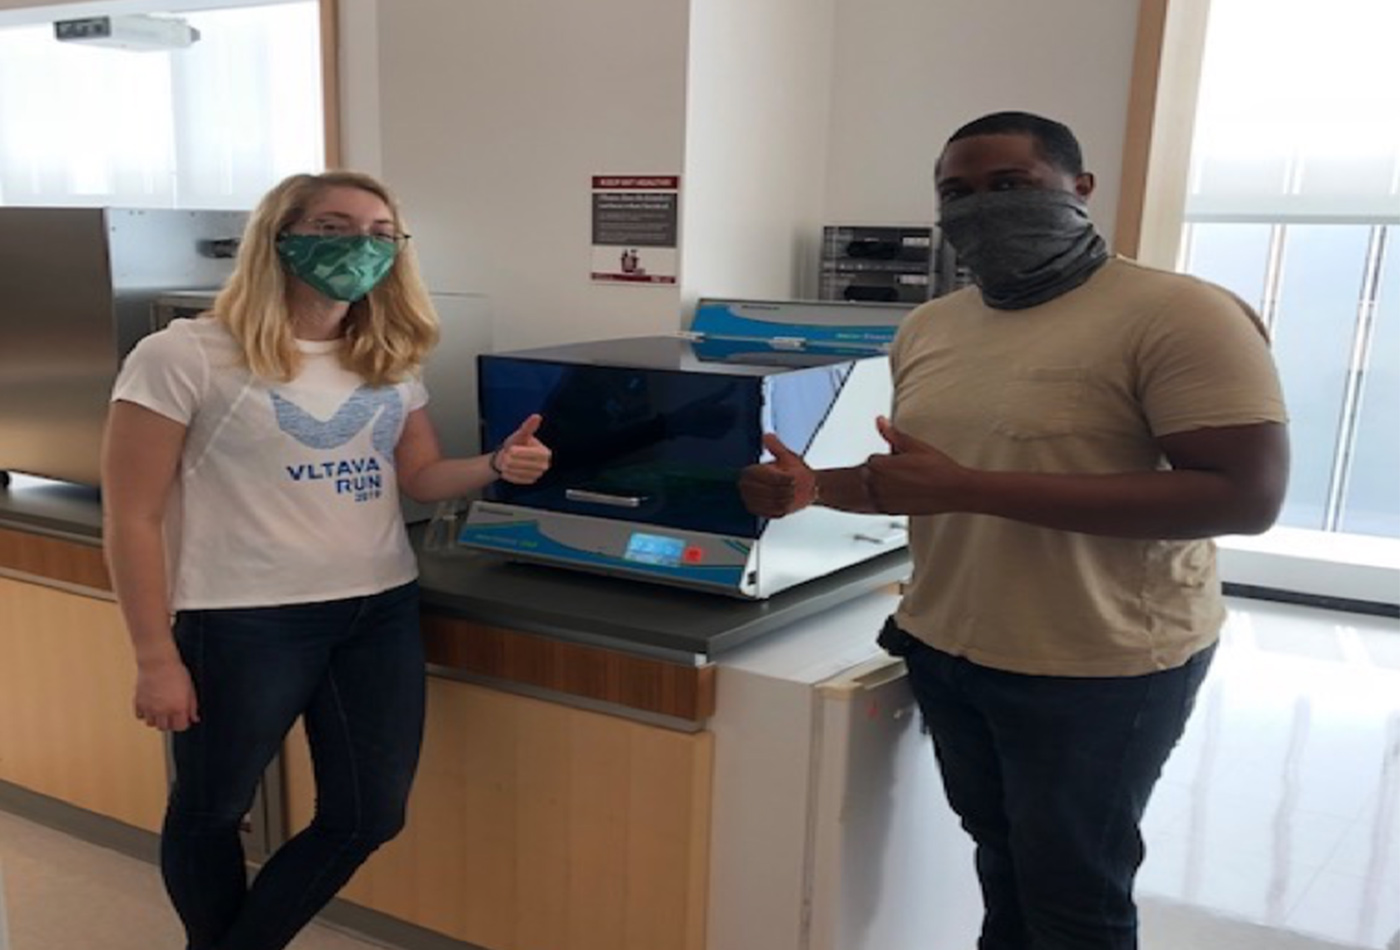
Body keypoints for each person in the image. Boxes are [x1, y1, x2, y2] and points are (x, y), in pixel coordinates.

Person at [740, 111, 1289, 950]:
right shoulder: (931, 326)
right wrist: (811, 489)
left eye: (1011, 185)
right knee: (1000, 862)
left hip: (1100, 664)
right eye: (956, 193)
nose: (980, 208)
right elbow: (923, 483)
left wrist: (971, 487)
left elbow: (1243, 498)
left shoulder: (1182, 314)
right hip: (950, 646)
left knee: (1075, 893)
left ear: (1081, 188)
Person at [100, 170, 551, 950]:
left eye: (380, 233)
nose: (361, 247)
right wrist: (153, 657)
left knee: (369, 815)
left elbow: (418, 477)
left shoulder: (388, 356)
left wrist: (494, 468)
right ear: (280, 237)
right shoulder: (185, 355)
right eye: (335, 227)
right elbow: (131, 516)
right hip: (242, 618)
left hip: (376, 609)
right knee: (211, 811)